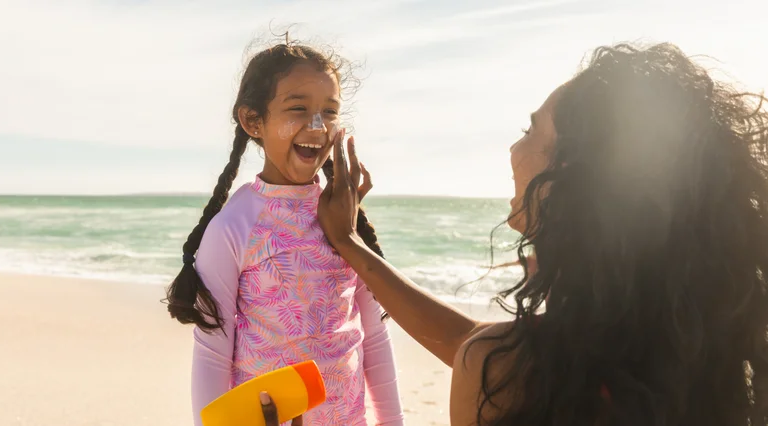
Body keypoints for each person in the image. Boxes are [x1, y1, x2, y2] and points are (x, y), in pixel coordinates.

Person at [309, 42, 768, 425]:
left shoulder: (510, 372)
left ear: (569, 176)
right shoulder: (701, 350)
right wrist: (350, 245)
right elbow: (472, 341)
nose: (514, 148)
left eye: (530, 130)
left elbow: (486, 354)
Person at [164, 41, 404, 426]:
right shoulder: (234, 226)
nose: (317, 126)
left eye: (330, 112)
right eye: (298, 109)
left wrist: (393, 422)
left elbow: (373, 336)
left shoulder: (343, 217)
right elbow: (212, 354)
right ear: (253, 121)